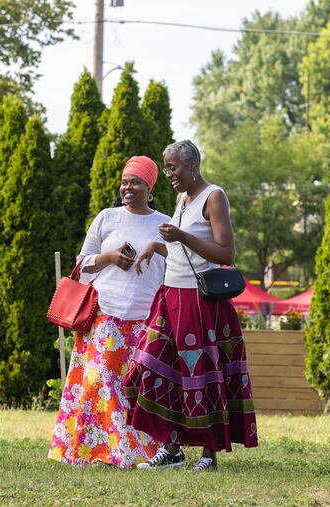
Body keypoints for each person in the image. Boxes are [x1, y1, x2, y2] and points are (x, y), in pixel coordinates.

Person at [123, 140, 258, 471]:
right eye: (166, 168)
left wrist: (180, 236)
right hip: (171, 296)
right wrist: (157, 246)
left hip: (199, 302)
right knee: (157, 367)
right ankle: (172, 448)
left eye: (173, 168)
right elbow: (183, 252)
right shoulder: (182, 198)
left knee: (202, 374)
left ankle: (209, 454)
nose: (168, 174)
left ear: (192, 165)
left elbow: (225, 253)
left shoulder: (214, 196)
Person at [48, 156, 170, 468]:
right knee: (102, 382)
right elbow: (82, 263)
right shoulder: (107, 218)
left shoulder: (165, 224)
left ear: (150, 188)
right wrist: (111, 257)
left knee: (137, 386)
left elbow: (178, 265)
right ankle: (101, 450)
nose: (128, 187)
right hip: (106, 313)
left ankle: (139, 450)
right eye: (124, 182)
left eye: (136, 182)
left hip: (147, 316)